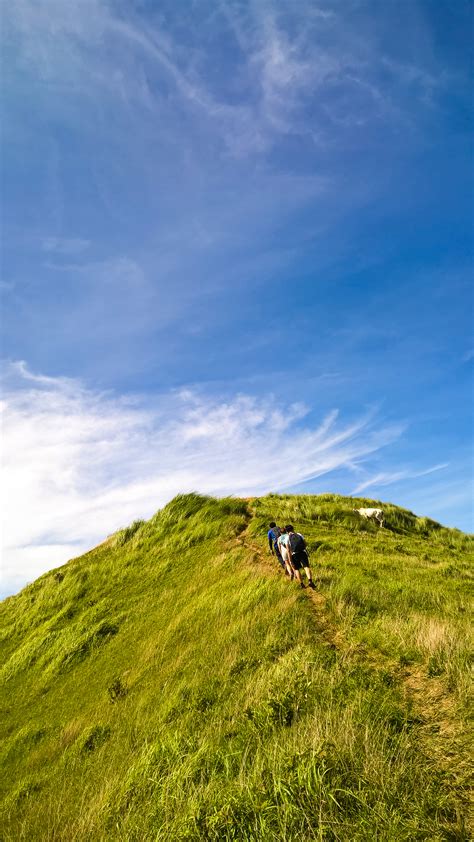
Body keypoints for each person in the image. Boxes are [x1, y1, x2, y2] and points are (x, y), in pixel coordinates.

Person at [282, 525, 315, 589]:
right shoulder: (299, 534)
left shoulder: (287, 538)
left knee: (296, 569)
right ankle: (310, 581)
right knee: (306, 567)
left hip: (294, 554)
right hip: (303, 552)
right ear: (293, 528)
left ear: (286, 531)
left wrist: (290, 559)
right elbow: (305, 543)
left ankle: (301, 584)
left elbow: (288, 550)